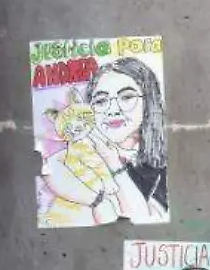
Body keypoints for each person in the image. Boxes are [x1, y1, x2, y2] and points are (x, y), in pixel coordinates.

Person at [38, 56, 169, 225]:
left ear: (149, 101)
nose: (112, 110)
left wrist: (112, 161)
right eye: (100, 101)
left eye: (127, 97)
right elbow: (49, 167)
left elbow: (142, 220)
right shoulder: (80, 150)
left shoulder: (161, 168)